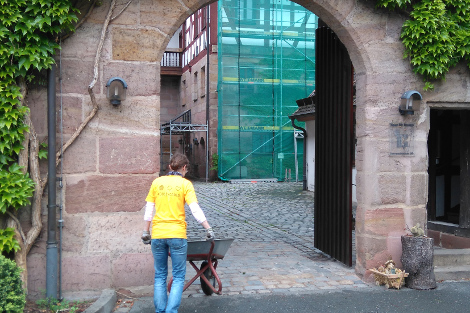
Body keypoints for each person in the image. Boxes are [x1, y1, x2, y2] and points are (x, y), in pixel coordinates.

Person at [141, 153, 214, 313]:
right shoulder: (185, 184)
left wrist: (146, 232)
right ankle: (171, 311)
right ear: (184, 168)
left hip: (158, 235)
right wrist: (207, 228)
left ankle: (160, 310)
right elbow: (195, 209)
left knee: (160, 275)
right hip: (177, 234)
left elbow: (149, 209)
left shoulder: (157, 182)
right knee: (179, 276)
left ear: (169, 167)